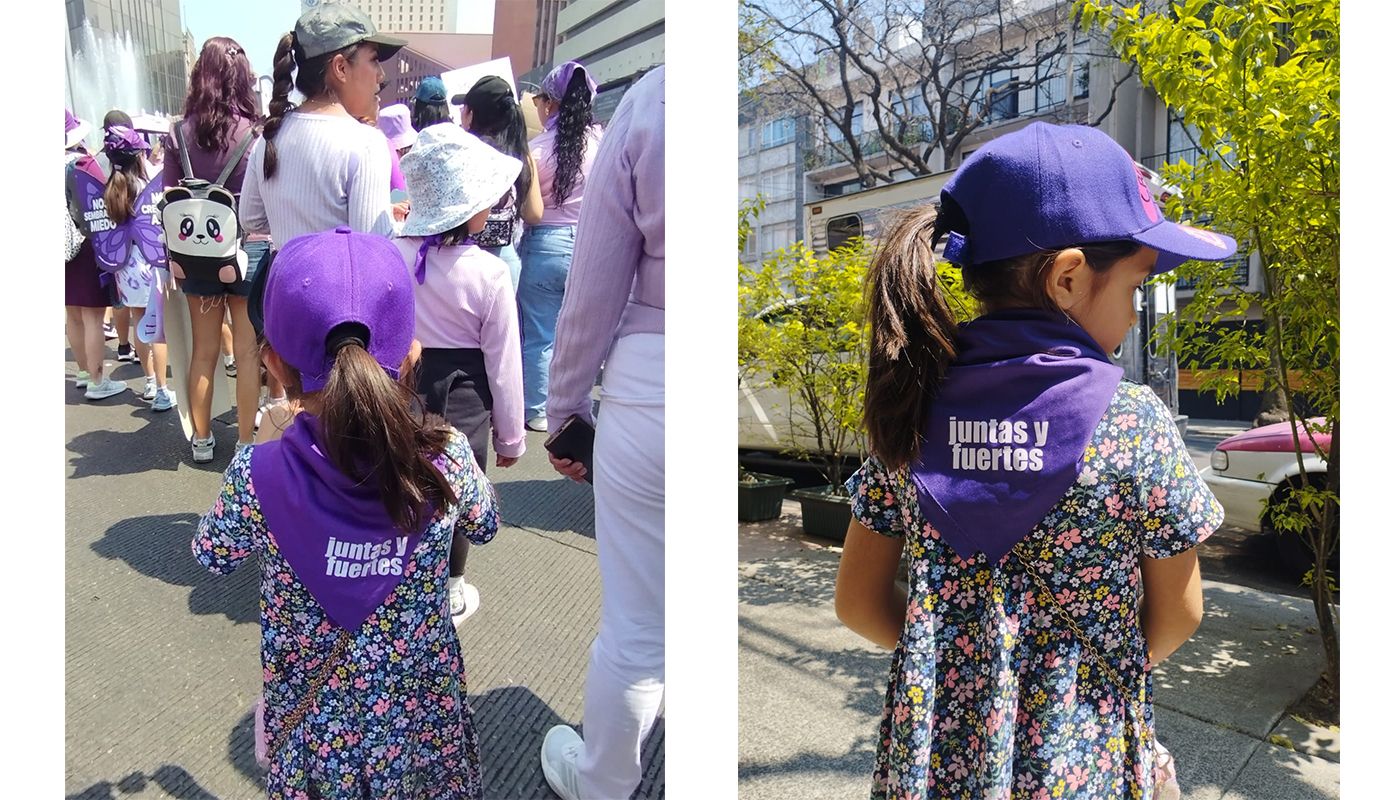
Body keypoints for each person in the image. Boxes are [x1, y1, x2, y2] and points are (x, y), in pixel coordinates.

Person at [832, 122, 1238, 799]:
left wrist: (964, 661)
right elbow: (1180, 614)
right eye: (1136, 287)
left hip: (937, 760)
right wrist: (1086, 674)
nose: (1136, 314)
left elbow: (857, 602)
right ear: (1069, 278)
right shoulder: (1134, 423)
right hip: (1083, 754)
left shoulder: (912, 405)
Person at [192, 227, 498, 798]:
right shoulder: (445, 457)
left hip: (313, 733)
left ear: (272, 364)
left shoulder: (258, 475)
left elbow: (210, 553)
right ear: (411, 356)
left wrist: (265, 433)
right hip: (419, 729)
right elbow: (485, 524)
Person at [539, 65, 664, 800]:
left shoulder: (652, 101)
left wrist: (566, 413)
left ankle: (604, 782)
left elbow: (595, 290)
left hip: (650, 385)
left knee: (635, 628)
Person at [393, 123, 527, 625]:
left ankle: (400, 573)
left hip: (402, 384)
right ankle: (450, 585)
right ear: (469, 208)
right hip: (466, 396)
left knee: (402, 480)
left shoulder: (395, 255)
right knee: (460, 489)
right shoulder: (490, 273)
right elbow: (504, 363)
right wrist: (511, 436)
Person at [163, 36, 265, 463]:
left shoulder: (178, 134)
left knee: (203, 350)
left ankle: (202, 440)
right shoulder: (255, 133)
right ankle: (244, 443)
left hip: (194, 257)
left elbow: (168, 193)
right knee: (245, 352)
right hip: (244, 253)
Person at [240, 3, 403, 256]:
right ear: (340, 68)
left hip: (281, 289)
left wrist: (293, 226)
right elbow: (374, 247)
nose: (380, 74)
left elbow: (251, 219)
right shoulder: (366, 143)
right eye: (373, 60)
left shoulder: (270, 136)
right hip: (342, 293)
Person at [518, 61, 602, 432]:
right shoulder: (603, 146)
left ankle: (537, 410)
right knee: (585, 334)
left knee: (539, 333)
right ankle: (578, 408)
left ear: (551, 104)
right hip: (590, 248)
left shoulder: (534, 150)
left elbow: (527, 208)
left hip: (543, 247)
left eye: (539, 99)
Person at [99, 119, 174, 411]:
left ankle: (149, 381)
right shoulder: (146, 186)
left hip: (124, 267)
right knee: (157, 328)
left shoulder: (108, 190)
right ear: (137, 156)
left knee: (138, 323)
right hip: (150, 263)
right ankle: (164, 390)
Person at [454, 75, 543, 291]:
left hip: (463, 261)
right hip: (505, 261)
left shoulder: (462, 152)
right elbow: (534, 213)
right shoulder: (520, 155)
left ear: (471, 114)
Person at [65, 109, 123, 399]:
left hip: (60, 248)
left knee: (72, 313)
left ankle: (84, 372)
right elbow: (101, 199)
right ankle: (98, 381)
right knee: (92, 316)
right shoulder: (82, 164)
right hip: (85, 244)